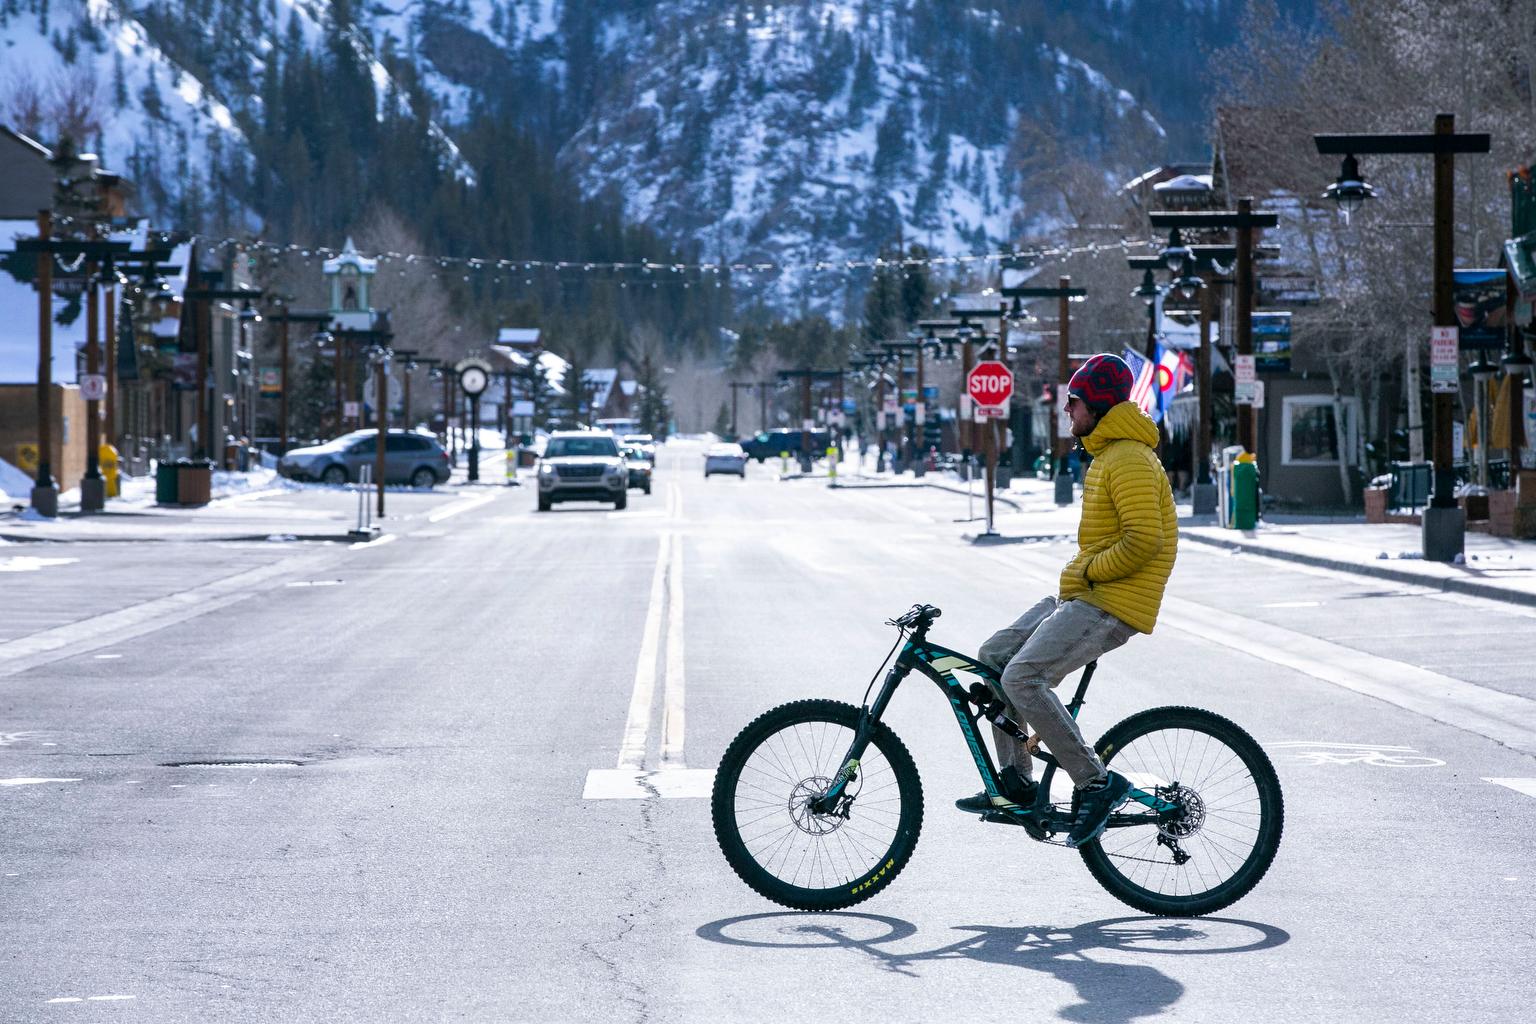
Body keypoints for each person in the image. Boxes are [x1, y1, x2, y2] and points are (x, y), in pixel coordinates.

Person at [956, 353, 1179, 847]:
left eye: (1074, 403)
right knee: (995, 657)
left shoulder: (1129, 459)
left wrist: (1087, 570)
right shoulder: (1107, 455)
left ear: (1098, 406)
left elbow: (1146, 541)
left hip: (1112, 603)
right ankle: (1016, 782)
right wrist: (1083, 576)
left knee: (1024, 676)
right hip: (1087, 593)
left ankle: (1097, 782)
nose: (1067, 413)